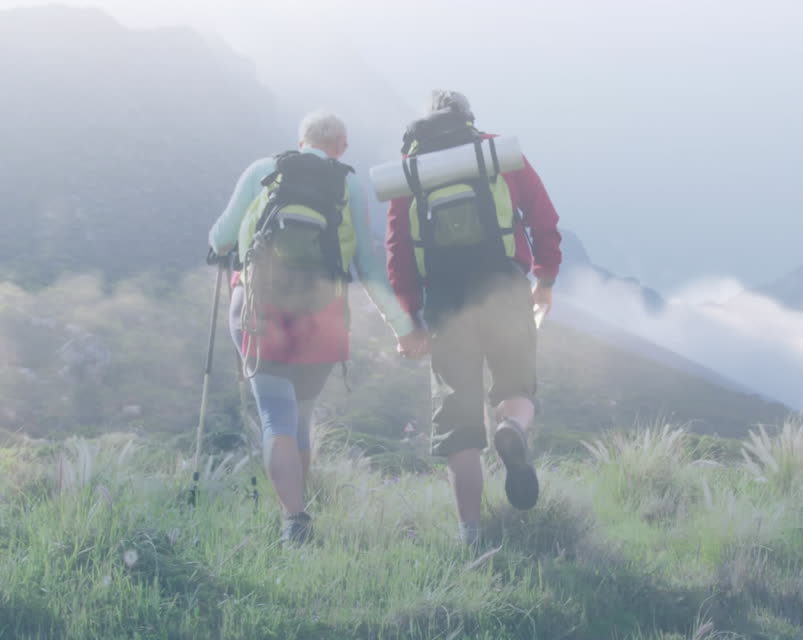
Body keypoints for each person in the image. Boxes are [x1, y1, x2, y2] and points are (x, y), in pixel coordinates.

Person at [209, 110, 427, 544]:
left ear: (301, 139)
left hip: (258, 309)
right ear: (341, 145)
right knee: (301, 420)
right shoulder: (348, 183)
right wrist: (404, 327)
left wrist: (223, 246)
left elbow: (221, 237)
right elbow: (368, 266)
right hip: (321, 316)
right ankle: (298, 509)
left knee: (277, 418)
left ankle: (294, 517)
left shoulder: (261, 171)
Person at [385, 90, 562, 547]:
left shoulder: (412, 173)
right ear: (468, 119)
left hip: (446, 303)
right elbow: (543, 217)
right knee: (516, 388)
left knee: (458, 421)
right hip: (504, 289)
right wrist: (545, 276)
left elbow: (398, 254)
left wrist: (410, 319)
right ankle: (512, 429)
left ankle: (471, 537)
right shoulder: (497, 154)